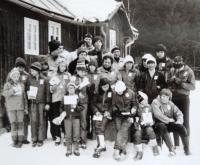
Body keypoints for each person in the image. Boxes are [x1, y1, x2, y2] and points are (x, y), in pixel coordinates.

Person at [152, 88, 191, 156]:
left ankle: (186, 149)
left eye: (167, 97)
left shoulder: (170, 103)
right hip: (157, 124)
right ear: (160, 96)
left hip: (167, 123)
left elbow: (179, 113)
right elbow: (157, 114)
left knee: (181, 127)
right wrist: (169, 120)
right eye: (163, 96)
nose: (164, 98)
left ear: (169, 98)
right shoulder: (155, 102)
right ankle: (171, 149)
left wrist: (179, 121)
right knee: (162, 126)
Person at [168, 56, 195, 148]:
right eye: (175, 63)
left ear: (182, 63)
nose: (177, 66)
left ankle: (186, 144)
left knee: (185, 120)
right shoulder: (172, 70)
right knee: (175, 119)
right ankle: (176, 144)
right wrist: (170, 81)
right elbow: (168, 82)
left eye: (179, 63)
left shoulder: (189, 71)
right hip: (173, 97)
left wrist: (181, 83)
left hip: (184, 97)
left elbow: (193, 87)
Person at [53, 82, 84, 156]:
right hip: (67, 118)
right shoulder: (64, 97)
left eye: (72, 88)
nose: (71, 89)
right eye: (69, 88)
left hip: (76, 118)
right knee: (68, 134)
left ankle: (76, 149)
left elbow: (82, 106)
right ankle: (69, 149)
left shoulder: (77, 97)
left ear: (74, 89)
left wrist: (76, 107)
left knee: (76, 134)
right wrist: (63, 112)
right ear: (67, 89)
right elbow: (61, 107)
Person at [112, 81, 137, 161]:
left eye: (120, 91)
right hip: (118, 115)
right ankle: (123, 149)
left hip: (128, 115)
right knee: (119, 129)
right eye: (117, 91)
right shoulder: (115, 93)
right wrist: (116, 111)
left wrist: (133, 110)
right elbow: (113, 105)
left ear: (124, 89)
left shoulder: (131, 93)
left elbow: (135, 104)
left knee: (124, 129)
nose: (119, 92)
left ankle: (116, 150)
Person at [27, 62, 50, 147]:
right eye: (31, 70)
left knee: (41, 120)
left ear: (37, 70)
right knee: (33, 121)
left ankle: (40, 139)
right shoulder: (29, 79)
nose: (31, 71)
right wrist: (29, 95)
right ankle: (34, 139)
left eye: (33, 70)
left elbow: (47, 93)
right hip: (33, 103)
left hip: (42, 103)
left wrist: (47, 103)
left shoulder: (45, 79)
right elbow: (27, 90)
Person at [3, 68, 28, 148]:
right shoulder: (7, 84)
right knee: (13, 124)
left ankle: (20, 140)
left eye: (17, 76)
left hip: (20, 107)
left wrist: (26, 108)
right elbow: (5, 94)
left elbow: (24, 97)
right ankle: (14, 140)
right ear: (11, 76)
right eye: (14, 76)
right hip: (11, 108)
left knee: (20, 124)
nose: (16, 77)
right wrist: (12, 90)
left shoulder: (21, 85)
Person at [132, 91, 159, 161]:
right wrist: (137, 123)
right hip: (140, 125)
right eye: (144, 100)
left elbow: (154, 117)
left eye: (146, 100)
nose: (145, 101)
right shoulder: (137, 108)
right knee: (137, 134)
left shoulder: (150, 107)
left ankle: (154, 146)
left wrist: (152, 122)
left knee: (150, 130)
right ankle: (139, 151)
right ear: (140, 101)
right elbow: (134, 117)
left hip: (148, 125)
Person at [49, 63, 71, 145]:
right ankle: (58, 137)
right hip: (56, 99)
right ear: (58, 66)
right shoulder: (54, 75)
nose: (63, 68)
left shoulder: (68, 75)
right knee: (56, 117)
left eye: (64, 66)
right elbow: (51, 90)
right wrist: (55, 85)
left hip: (65, 99)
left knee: (64, 117)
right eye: (61, 66)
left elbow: (71, 86)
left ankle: (65, 136)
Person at [71, 60, 90, 149]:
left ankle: (83, 140)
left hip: (84, 103)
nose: (82, 72)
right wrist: (77, 90)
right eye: (80, 70)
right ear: (77, 70)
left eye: (84, 71)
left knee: (83, 121)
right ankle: (75, 138)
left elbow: (88, 91)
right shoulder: (73, 78)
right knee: (75, 121)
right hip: (74, 102)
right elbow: (70, 89)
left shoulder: (86, 79)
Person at [92, 78, 112, 158]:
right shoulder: (97, 93)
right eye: (104, 87)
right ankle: (102, 145)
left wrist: (109, 112)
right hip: (98, 113)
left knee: (101, 126)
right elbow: (92, 104)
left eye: (107, 86)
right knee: (97, 125)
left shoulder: (111, 93)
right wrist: (96, 111)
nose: (106, 88)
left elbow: (112, 105)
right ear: (100, 86)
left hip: (106, 113)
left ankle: (101, 146)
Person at [87, 60, 100, 139]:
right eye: (90, 65)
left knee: (94, 114)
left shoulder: (98, 75)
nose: (92, 67)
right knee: (87, 115)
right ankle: (87, 131)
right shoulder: (86, 74)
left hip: (95, 97)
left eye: (93, 66)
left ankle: (94, 133)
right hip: (87, 96)